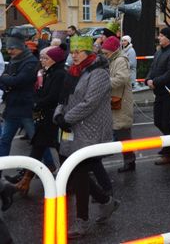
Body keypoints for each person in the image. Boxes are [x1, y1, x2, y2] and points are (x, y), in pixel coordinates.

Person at [53, 36, 119, 238]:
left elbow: (90, 102)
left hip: (91, 129)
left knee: (79, 172)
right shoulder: (73, 71)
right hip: (73, 128)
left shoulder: (98, 72)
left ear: (89, 53)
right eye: (72, 52)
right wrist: (58, 113)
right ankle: (106, 202)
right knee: (73, 171)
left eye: (77, 52)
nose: (73, 56)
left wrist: (67, 118)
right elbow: (64, 97)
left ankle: (82, 221)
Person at [14, 46, 66, 195]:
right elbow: (39, 92)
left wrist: (38, 103)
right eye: (42, 58)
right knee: (37, 148)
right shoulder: (46, 73)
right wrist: (36, 100)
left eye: (45, 58)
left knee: (61, 150)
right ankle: (26, 180)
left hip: (54, 118)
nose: (42, 60)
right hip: (45, 118)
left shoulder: (60, 74)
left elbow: (54, 96)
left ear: (54, 60)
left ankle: (70, 180)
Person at [145, 27, 170, 165]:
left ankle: (169, 154)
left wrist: (155, 82)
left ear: (168, 38)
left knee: (166, 123)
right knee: (158, 122)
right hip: (159, 92)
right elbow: (153, 68)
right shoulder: (160, 51)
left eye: (161, 36)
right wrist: (148, 79)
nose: (159, 38)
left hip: (169, 93)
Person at [0, 34, 38, 160]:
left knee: (36, 141)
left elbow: (18, 80)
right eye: (8, 48)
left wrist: (7, 80)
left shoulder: (31, 62)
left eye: (12, 49)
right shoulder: (13, 60)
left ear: (20, 48)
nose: (9, 51)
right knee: (4, 140)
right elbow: (6, 80)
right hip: (12, 108)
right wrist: (7, 82)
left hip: (25, 108)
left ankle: (48, 165)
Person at [101, 36, 136, 173]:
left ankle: (130, 161)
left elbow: (122, 78)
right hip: (116, 99)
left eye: (106, 52)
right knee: (119, 131)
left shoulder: (120, 60)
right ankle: (127, 158)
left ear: (113, 50)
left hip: (121, 101)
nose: (104, 55)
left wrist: (103, 82)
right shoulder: (113, 59)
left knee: (123, 132)